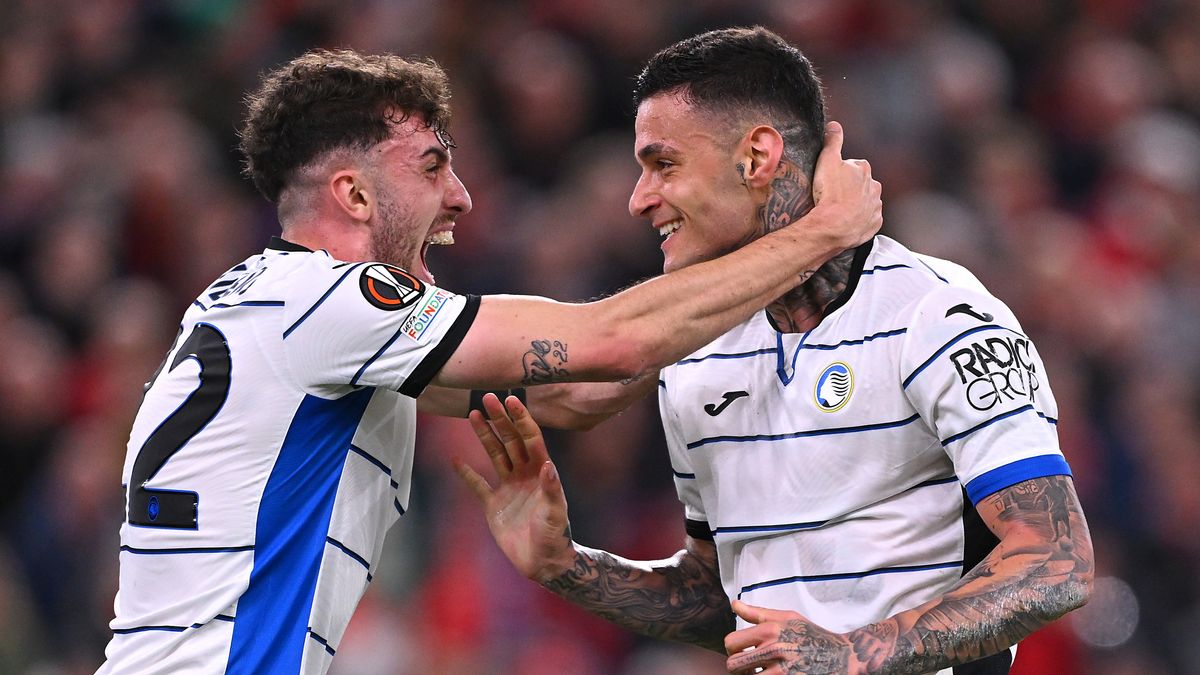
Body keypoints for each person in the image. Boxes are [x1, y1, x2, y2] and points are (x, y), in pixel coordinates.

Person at [96, 48, 880, 674]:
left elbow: (576, 391)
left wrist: (744, 263)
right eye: (432, 167)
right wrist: (815, 234)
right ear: (356, 196)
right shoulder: (334, 300)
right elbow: (610, 339)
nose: (462, 197)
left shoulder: (268, 307)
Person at [458, 27, 1093, 675]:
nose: (639, 198)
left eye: (664, 163)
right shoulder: (696, 356)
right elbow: (724, 597)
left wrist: (851, 656)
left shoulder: (937, 314)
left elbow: (1055, 560)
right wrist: (569, 567)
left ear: (757, 157)